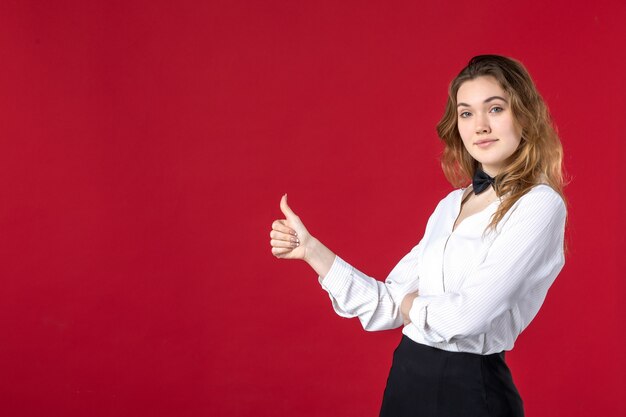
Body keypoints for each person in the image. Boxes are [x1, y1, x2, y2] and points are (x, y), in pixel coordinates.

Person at [269, 55, 566, 417]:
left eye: (496, 108)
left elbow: (466, 317)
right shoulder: (450, 204)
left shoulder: (539, 204)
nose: (481, 126)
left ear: (524, 116)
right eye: (467, 113)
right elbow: (383, 305)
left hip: (470, 391)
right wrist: (311, 250)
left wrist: (410, 305)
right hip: (406, 380)